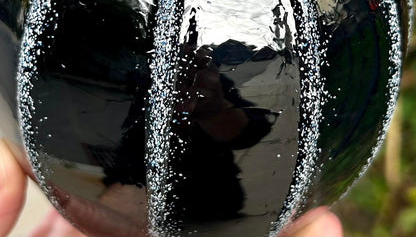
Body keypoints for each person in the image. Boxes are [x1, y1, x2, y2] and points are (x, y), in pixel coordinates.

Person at [0, 139, 343, 237]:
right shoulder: (144, 86)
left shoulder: (218, 87)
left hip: (223, 191)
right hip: (136, 190)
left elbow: (246, 130)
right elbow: (127, 146)